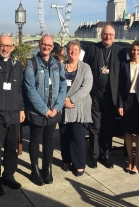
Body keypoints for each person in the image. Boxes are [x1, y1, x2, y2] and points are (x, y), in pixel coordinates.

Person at [23, 35, 67, 186]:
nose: (46, 47)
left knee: (49, 140)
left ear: (52, 47)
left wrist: (57, 107)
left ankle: (47, 168)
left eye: (49, 45)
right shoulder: (32, 64)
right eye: (44, 44)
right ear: (40, 44)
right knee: (35, 139)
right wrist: (44, 109)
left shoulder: (57, 64)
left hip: (53, 111)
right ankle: (34, 169)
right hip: (37, 111)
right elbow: (30, 89)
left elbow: (63, 87)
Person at [0, 35, 25, 196]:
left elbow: (21, 90)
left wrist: (22, 109)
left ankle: (8, 175)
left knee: (11, 148)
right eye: (2, 45)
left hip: (14, 114)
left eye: (8, 46)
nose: (5, 49)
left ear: (13, 47)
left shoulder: (18, 66)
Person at [83, 24, 126, 169]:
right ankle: (93, 156)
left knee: (108, 126)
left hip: (111, 95)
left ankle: (106, 154)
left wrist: (120, 101)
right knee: (95, 126)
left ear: (114, 37)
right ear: (101, 35)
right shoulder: (92, 49)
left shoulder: (120, 51)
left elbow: (122, 77)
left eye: (111, 35)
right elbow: (85, 71)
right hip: (95, 93)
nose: (108, 37)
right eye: (105, 34)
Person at [117, 40, 139, 174]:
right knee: (127, 131)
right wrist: (120, 104)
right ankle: (130, 160)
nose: (135, 52)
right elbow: (120, 86)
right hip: (127, 100)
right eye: (133, 49)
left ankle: (137, 161)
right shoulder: (124, 65)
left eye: (138, 50)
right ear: (130, 51)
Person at [59, 40, 93, 177]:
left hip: (79, 107)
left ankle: (79, 164)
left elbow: (86, 87)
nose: (72, 52)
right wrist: (63, 100)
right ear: (67, 51)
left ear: (79, 52)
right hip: (63, 107)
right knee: (64, 135)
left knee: (78, 136)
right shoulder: (60, 66)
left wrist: (71, 99)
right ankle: (66, 161)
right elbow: (54, 85)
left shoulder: (85, 68)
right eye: (70, 49)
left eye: (75, 50)